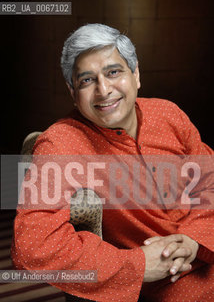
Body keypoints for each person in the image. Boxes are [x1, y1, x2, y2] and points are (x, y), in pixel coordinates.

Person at [11, 24, 214, 302]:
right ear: (72, 92)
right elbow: (32, 246)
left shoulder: (169, 114)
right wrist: (137, 265)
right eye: (86, 80)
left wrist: (194, 240)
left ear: (136, 74)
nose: (103, 90)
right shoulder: (61, 143)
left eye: (113, 72)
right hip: (164, 286)